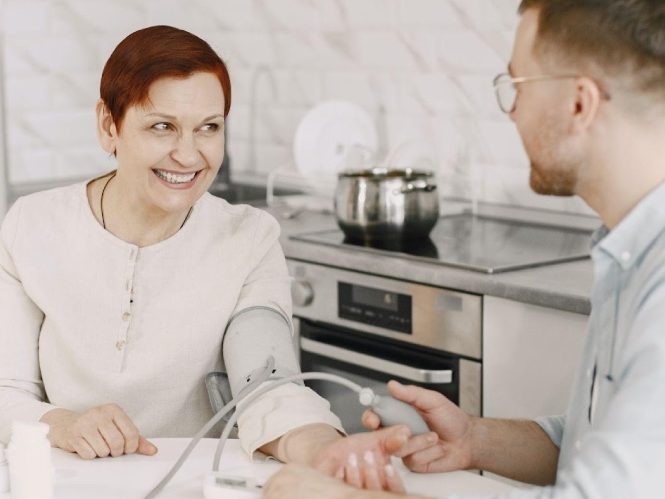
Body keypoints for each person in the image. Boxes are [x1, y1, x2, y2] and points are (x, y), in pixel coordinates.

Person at [263, 0, 665, 497]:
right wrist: (474, 439)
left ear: (579, 104)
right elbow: (590, 450)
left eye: (516, 87)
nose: (512, 111)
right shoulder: (628, 251)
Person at [0, 25, 409, 469]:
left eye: (209, 128)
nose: (189, 155)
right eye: (162, 126)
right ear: (108, 125)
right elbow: (5, 391)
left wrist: (324, 451)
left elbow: (269, 387)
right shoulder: (33, 225)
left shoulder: (249, 239)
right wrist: (62, 424)